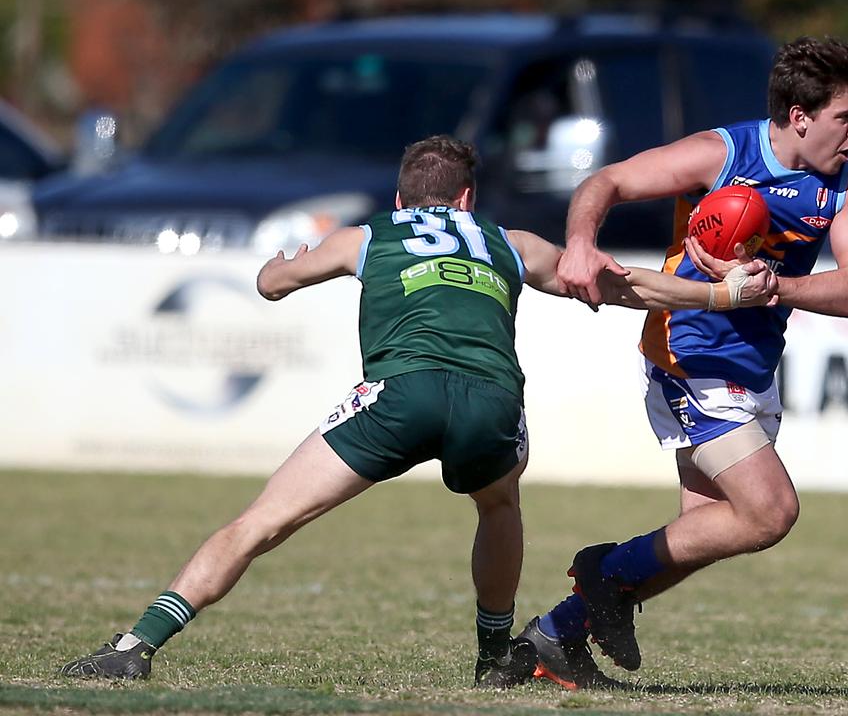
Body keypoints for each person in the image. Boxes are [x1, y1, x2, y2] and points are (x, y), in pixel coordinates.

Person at [59, 135, 779, 688]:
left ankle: (135, 647)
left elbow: (271, 283)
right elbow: (621, 286)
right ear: (467, 200)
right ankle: (494, 656)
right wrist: (723, 296)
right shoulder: (508, 241)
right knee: (498, 505)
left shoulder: (368, 235)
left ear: (403, 201)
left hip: (398, 396)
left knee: (263, 521)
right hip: (492, 404)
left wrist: (285, 262)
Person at [517, 36, 848, 690]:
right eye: (844, 117)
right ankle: (604, 572)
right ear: (800, 116)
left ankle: (555, 636)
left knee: (701, 532)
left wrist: (771, 286)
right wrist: (578, 243)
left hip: (753, 361)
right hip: (688, 353)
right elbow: (607, 181)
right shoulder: (724, 154)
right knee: (769, 512)